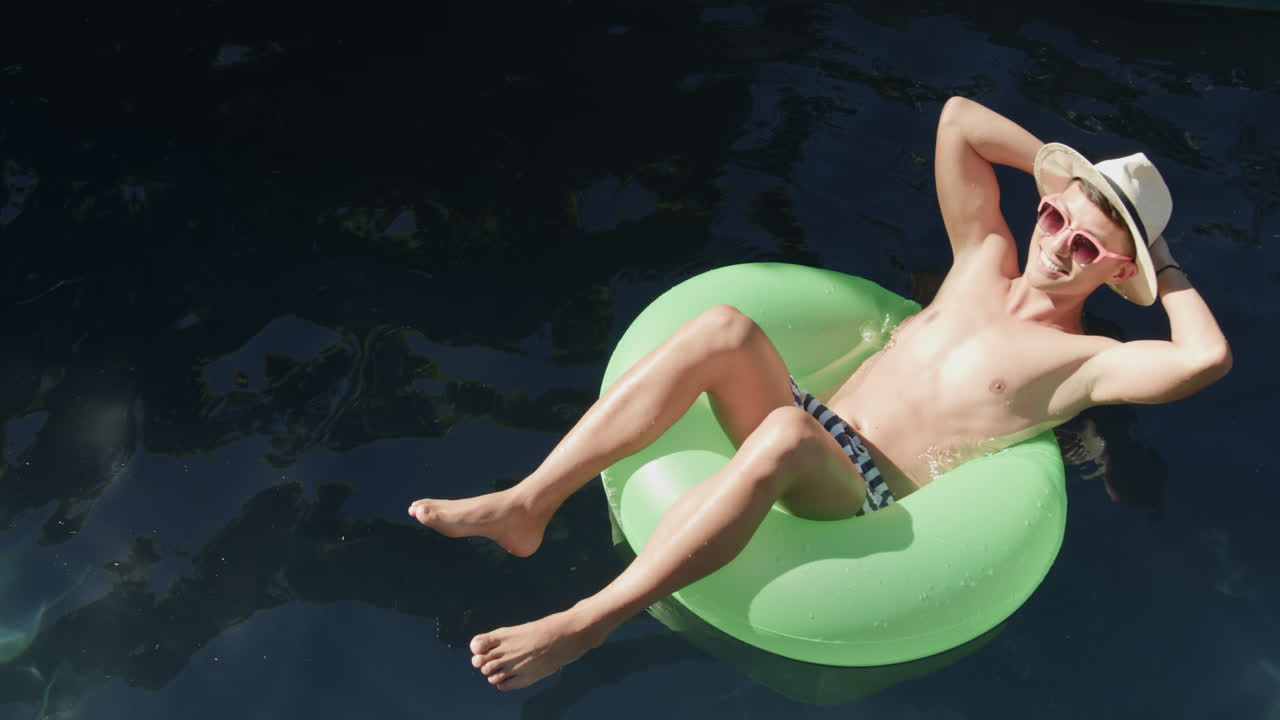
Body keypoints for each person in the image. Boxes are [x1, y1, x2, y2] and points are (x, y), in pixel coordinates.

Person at [407, 96, 1232, 691]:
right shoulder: (985, 257)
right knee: (724, 327)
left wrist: (1160, 258)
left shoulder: (1081, 358)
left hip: (858, 488)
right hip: (812, 416)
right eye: (1053, 221)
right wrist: (1066, 171)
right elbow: (957, 120)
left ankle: (585, 625)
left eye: (1086, 244)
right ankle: (527, 504)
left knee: (787, 440)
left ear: (1116, 270)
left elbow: (1204, 359)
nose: (1057, 245)